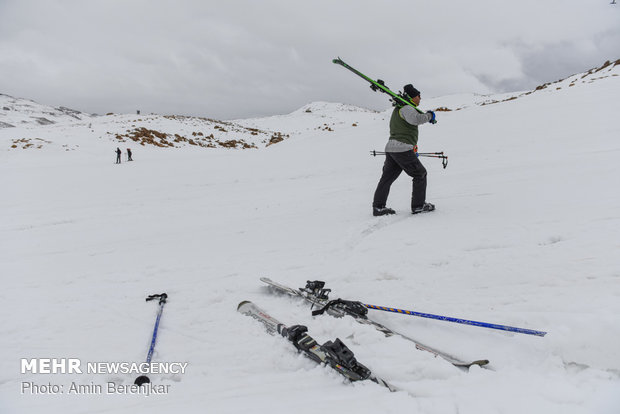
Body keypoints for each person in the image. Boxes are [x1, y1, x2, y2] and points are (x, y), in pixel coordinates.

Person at [372, 84, 436, 216]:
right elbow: (415, 119)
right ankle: (418, 206)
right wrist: (429, 115)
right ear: (413, 97)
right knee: (420, 174)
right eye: (418, 96)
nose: (420, 98)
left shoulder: (399, 109)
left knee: (387, 178)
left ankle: (378, 207)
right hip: (402, 149)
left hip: (392, 148)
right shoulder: (407, 108)